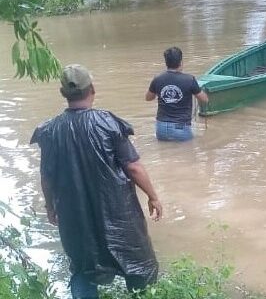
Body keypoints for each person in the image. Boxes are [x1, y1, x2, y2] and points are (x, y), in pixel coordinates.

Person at [30, 64, 162, 299]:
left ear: (63, 94)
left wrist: (50, 206)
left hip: (74, 215)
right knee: (136, 263)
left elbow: (47, 176)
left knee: (82, 264)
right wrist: (153, 196)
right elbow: (133, 166)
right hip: (117, 213)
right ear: (93, 89)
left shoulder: (49, 131)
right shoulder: (108, 123)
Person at [146, 47, 208, 141]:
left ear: (166, 62)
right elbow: (204, 99)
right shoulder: (189, 79)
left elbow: (148, 98)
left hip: (161, 127)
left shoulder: (158, 78)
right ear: (181, 62)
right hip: (181, 128)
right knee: (188, 153)